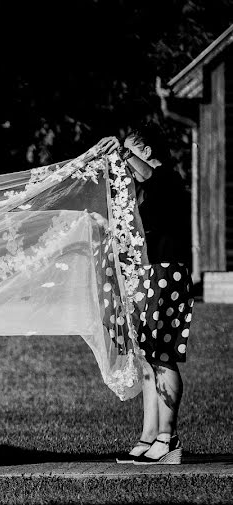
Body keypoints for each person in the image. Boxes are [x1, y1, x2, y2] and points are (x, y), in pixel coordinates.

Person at [94, 124, 192, 465]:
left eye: (132, 150)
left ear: (147, 151)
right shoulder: (146, 189)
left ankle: (168, 438)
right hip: (149, 273)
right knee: (148, 359)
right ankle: (149, 436)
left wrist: (121, 150)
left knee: (162, 356)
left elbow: (149, 175)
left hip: (167, 273)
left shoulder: (168, 179)